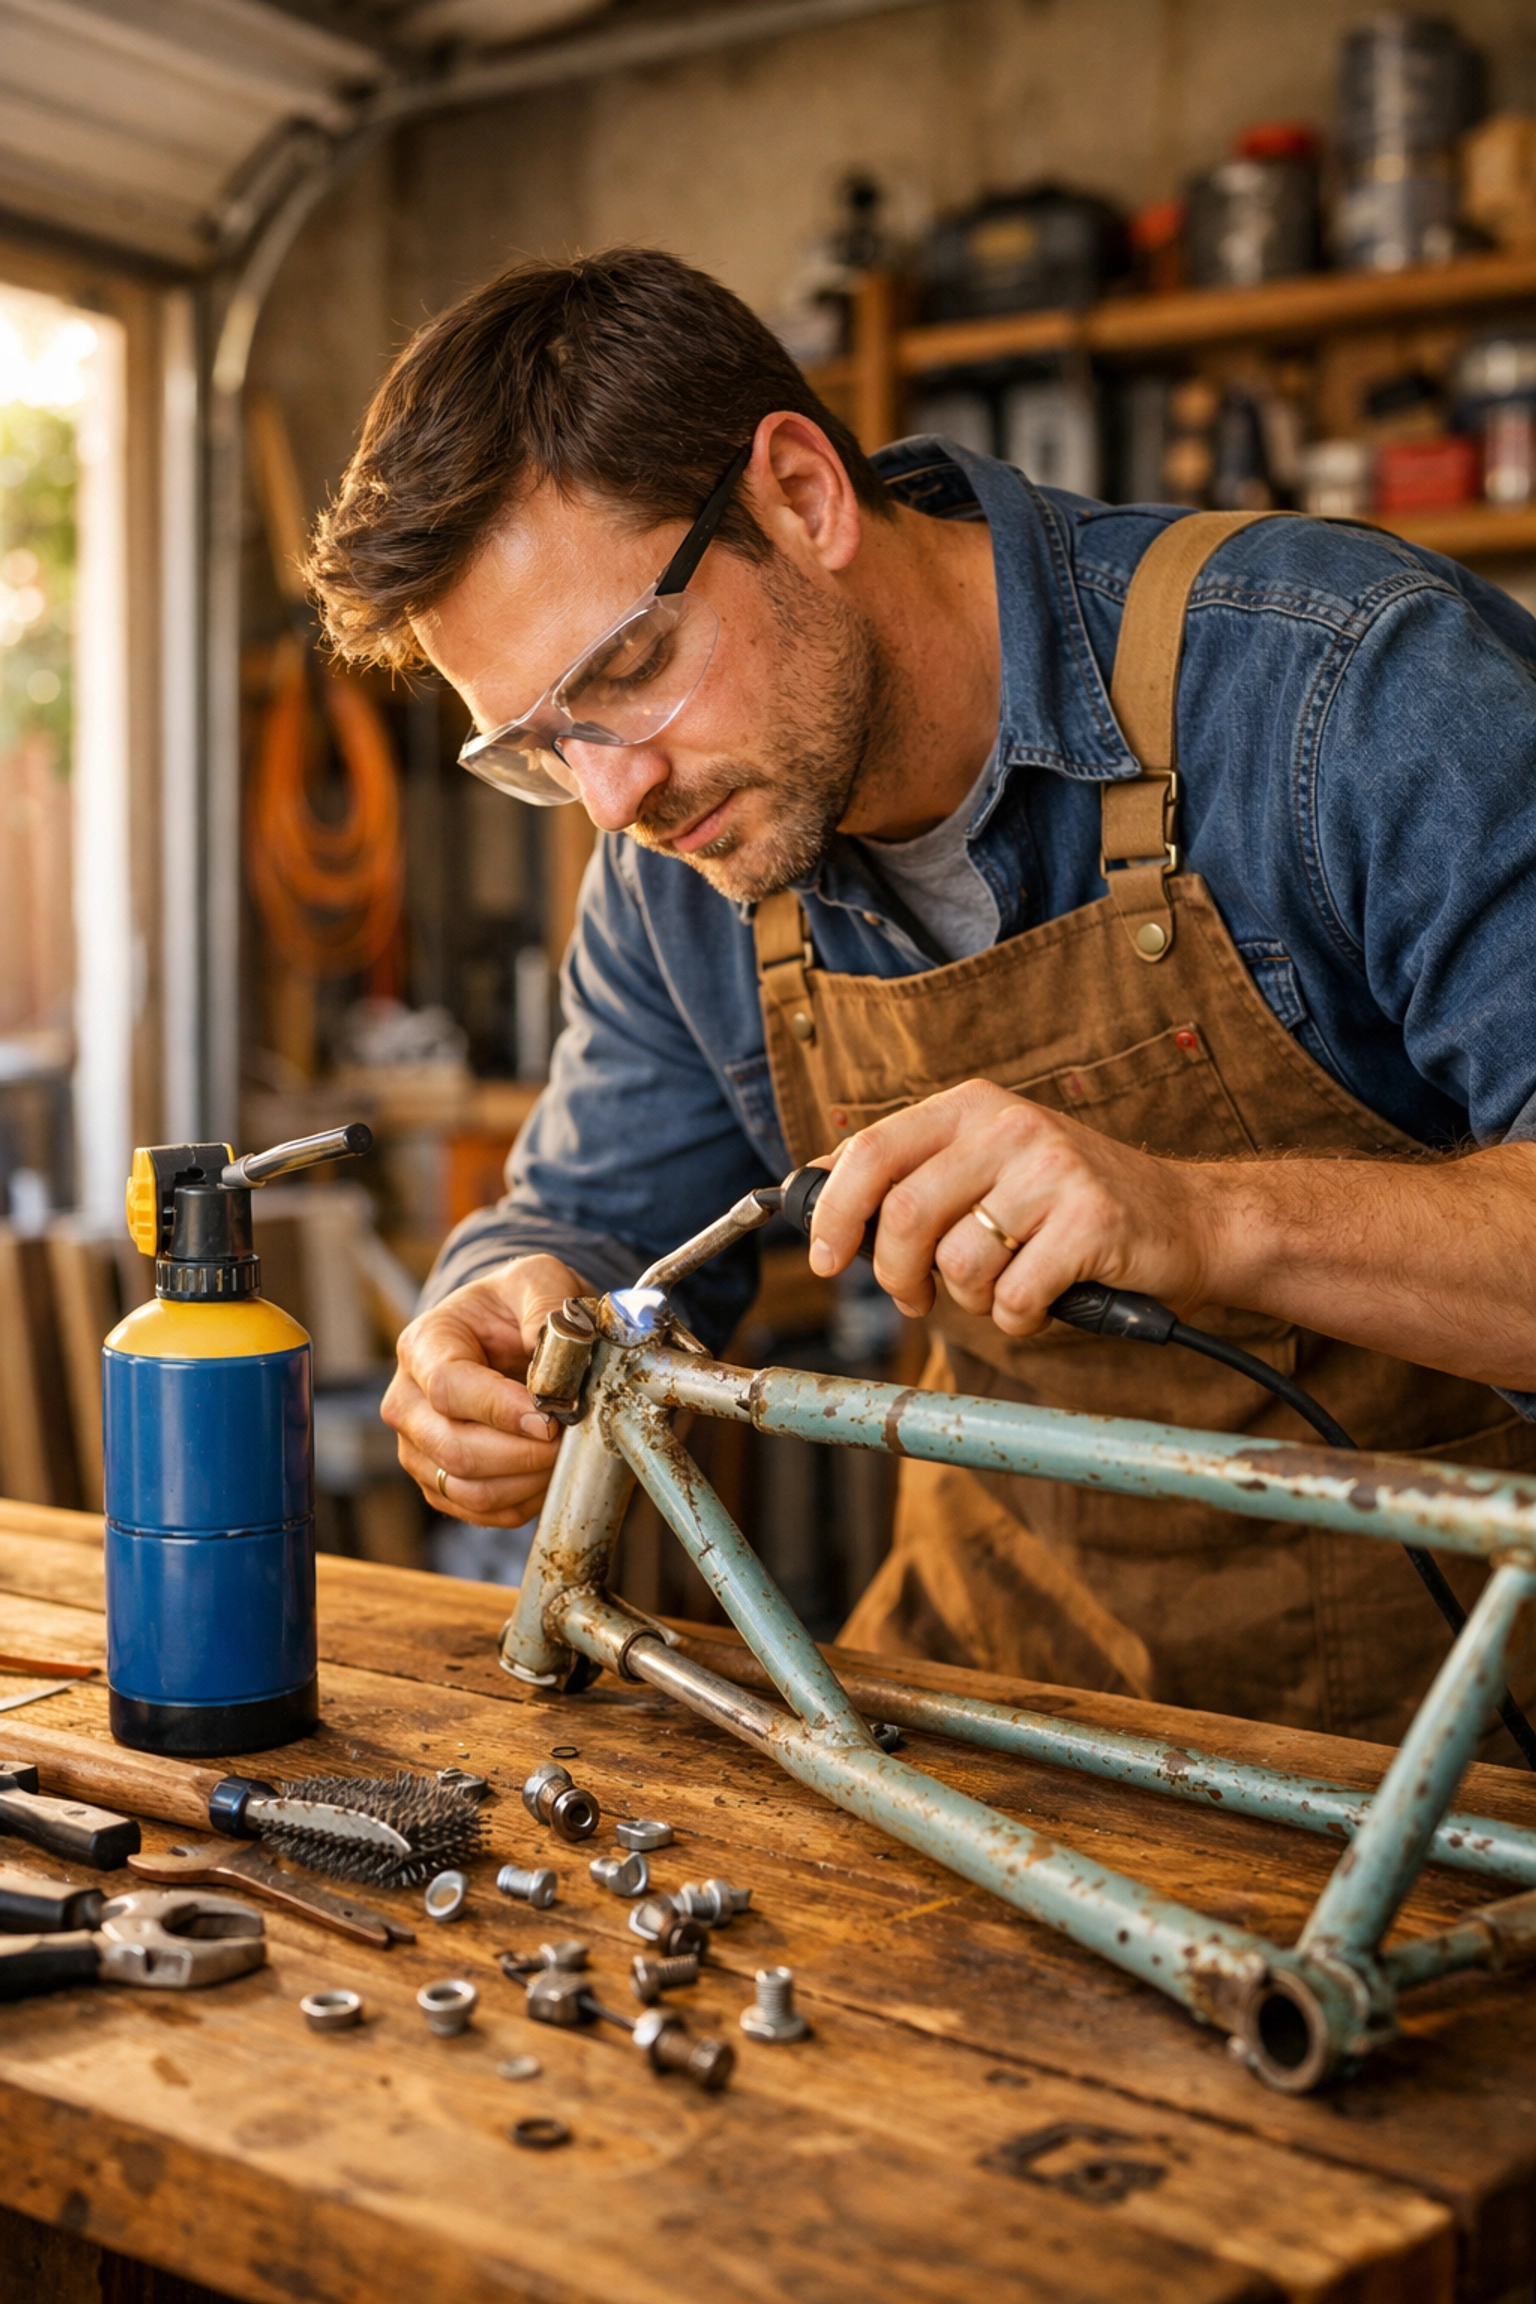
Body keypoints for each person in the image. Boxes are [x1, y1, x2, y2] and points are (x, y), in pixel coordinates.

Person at [308, 248, 1536, 1749]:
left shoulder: (1346, 691)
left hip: (1450, 1750)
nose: (611, 793)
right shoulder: (678, 867)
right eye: (540, 746)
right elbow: (601, 1227)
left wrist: (1208, 1220)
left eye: (628, 668)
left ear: (804, 498)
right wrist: (488, 1318)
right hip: (989, 1710)